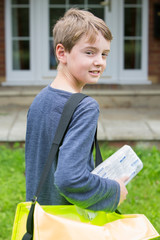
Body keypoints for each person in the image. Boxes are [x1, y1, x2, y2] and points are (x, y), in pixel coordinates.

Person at [25, 8, 128, 211]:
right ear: (62, 53)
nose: (99, 61)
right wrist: (115, 191)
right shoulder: (84, 107)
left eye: (104, 54)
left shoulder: (40, 99)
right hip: (70, 224)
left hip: (42, 221)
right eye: (89, 52)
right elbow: (69, 179)